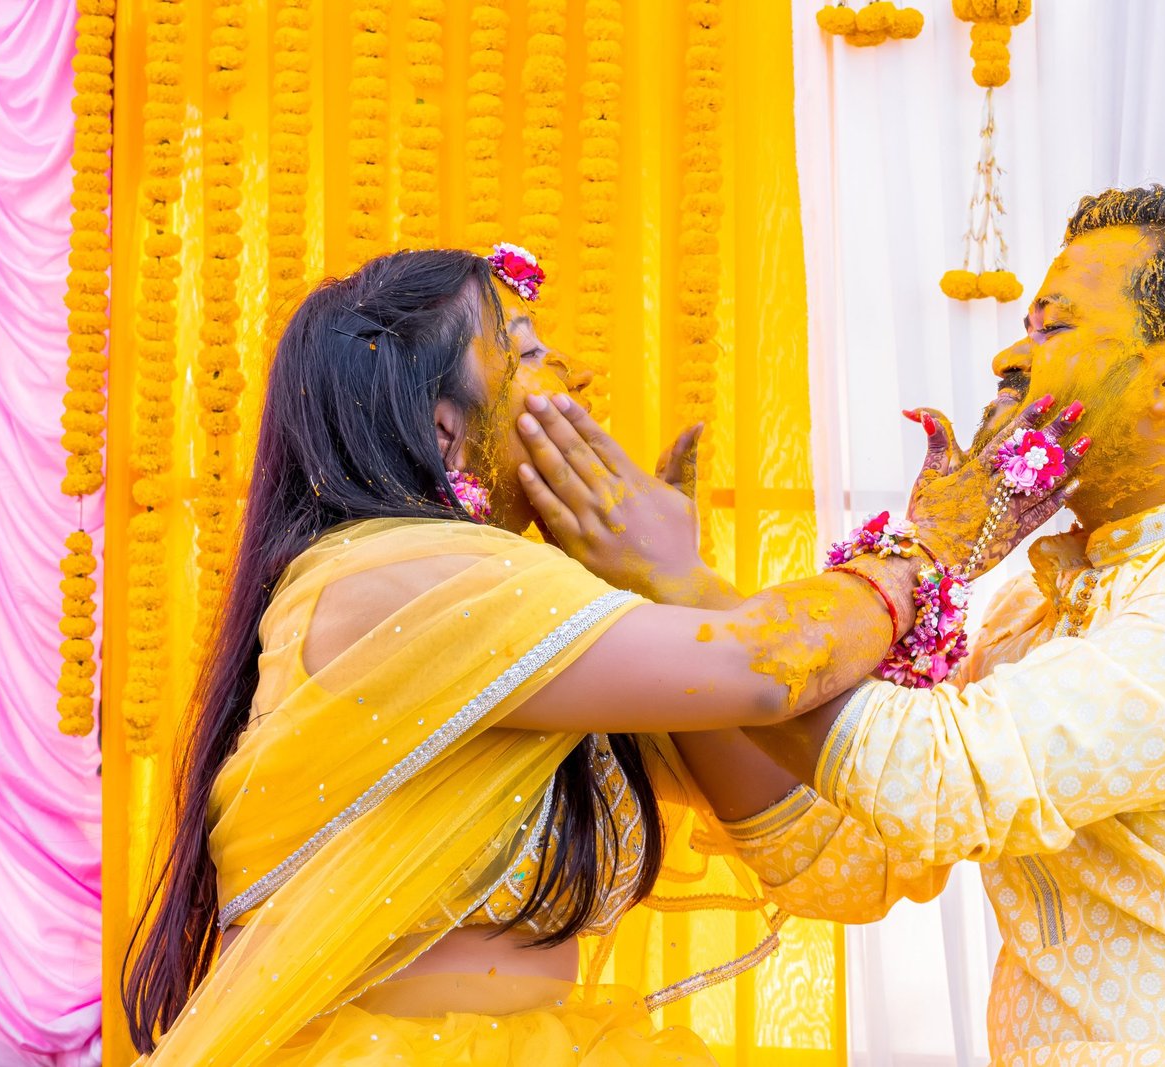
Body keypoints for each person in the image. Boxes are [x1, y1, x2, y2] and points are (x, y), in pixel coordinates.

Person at [519, 185, 1165, 1066]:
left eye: (1052, 324)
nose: (1008, 355)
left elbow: (940, 780)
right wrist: (661, 607)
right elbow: (845, 854)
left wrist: (681, 583)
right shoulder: (1039, 602)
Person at [120, 244, 1087, 1065]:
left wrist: (666, 580)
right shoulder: (396, 574)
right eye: (528, 351)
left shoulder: (536, 616)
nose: (574, 375)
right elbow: (762, 667)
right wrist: (928, 549)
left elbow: (797, 824)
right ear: (444, 426)